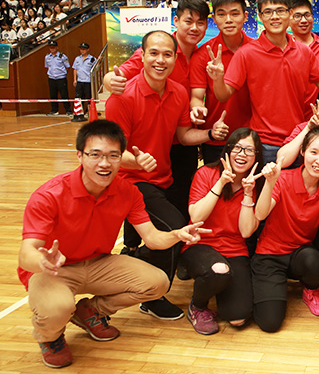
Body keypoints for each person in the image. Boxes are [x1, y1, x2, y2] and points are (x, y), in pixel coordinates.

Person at [18, 120, 208, 368]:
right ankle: (50, 338)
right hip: (54, 270)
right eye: (95, 155)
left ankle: (90, 311)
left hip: (98, 262)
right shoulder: (49, 195)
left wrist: (177, 235)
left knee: (157, 282)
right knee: (58, 308)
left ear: (121, 159)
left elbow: (152, 238)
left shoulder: (128, 191)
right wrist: (43, 260)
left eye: (113, 155)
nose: (104, 163)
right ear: (80, 156)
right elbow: (26, 254)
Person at [105, 30, 230, 321]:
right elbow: (111, 155)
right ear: (142, 56)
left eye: (167, 54)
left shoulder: (178, 92)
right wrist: (137, 162)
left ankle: (135, 265)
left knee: (173, 230)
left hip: (162, 178)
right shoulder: (121, 98)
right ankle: (153, 297)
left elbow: (184, 136)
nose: (160, 60)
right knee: (174, 228)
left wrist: (210, 134)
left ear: (175, 58)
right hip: (130, 181)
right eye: (154, 53)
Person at [211, 0, 319, 164]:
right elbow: (223, 95)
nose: (275, 17)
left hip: (298, 138)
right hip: (263, 142)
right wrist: (218, 78)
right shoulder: (246, 53)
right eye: (268, 12)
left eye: (280, 11)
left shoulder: (304, 52)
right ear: (260, 17)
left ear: (290, 14)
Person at [252, 128, 319, 332]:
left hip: (299, 254)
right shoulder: (283, 178)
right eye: (313, 152)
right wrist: (270, 183)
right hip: (270, 254)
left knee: (315, 261)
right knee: (270, 323)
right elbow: (260, 214)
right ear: (303, 152)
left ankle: (310, 290)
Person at [181, 128, 264, 335]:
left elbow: (246, 232)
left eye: (249, 150)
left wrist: (247, 193)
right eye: (238, 148)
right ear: (227, 150)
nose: (242, 154)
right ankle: (198, 306)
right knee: (219, 270)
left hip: (234, 249)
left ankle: (220, 285)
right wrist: (221, 182)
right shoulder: (206, 173)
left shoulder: (256, 184)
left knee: (238, 318)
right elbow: (196, 216)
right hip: (200, 243)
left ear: (256, 156)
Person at [191, 0, 255, 164]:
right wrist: (197, 108)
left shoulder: (257, 50)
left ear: (245, 16)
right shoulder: (203, 55)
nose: (228, 20)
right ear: (214, 18)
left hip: (252, 135)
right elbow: (197, 96)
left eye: (234, 14)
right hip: (217, 135)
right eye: (221, 14)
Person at [44, 40, 71, 116]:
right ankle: (54, 110)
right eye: (51, 47)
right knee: (53, 95)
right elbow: (46, 67)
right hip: (52, 78)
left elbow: (67, 67)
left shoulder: (62, 56)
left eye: (53, 47)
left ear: (57, 48)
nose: (52, 49)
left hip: (61, 78)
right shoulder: (47, 57)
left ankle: (68, 110)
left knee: (64, 95)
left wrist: (62, 74)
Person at [71, 42, 95, 116]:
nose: (82, 51)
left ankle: (88, 111)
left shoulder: (92, 59)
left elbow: (95, 68)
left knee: (88, 97)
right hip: (79, 80)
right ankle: (78, 112)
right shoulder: (77, 58)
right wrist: (75, 79)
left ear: (88, 49)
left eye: (84, 49)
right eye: (81, 49)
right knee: (78, 97)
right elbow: (75, 69)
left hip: (88, 81)